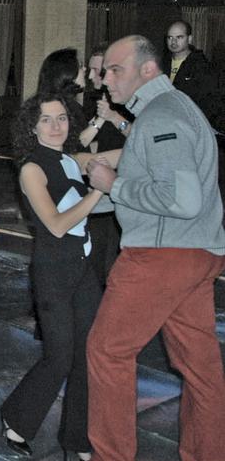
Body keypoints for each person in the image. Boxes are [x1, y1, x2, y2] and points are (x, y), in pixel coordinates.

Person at [85, 35, 225, 461]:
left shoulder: (162, 115)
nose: (104, 79)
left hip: (161, 256)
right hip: (194, 254)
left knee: (107, 352)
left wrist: (113, 184)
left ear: (148, 70)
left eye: (114, 70)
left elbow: (180, 200)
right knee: (200, 370)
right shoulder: (173, 109)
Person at [0, 93, 114, 460]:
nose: (55, 126)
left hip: (82, 269)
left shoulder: (70, 160)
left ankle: (77, 438)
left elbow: (120, 156)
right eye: (46, 120)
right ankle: (16, 416)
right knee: (60, 357)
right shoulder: (31, 169)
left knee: (87, 355)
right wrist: (98, 191)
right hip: (52, 273)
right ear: (32, 127)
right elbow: (57, 224)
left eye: (62, 118)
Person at [81, 44, 131, 287]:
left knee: (114, 259)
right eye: (89, 70)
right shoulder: (94, 99)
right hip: (99, 185)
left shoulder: (127, 101)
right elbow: (87, 143)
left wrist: (113, 117)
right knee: (96, 254)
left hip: (122, 187)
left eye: (96, 71)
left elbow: (141, 139)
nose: (91, 76)